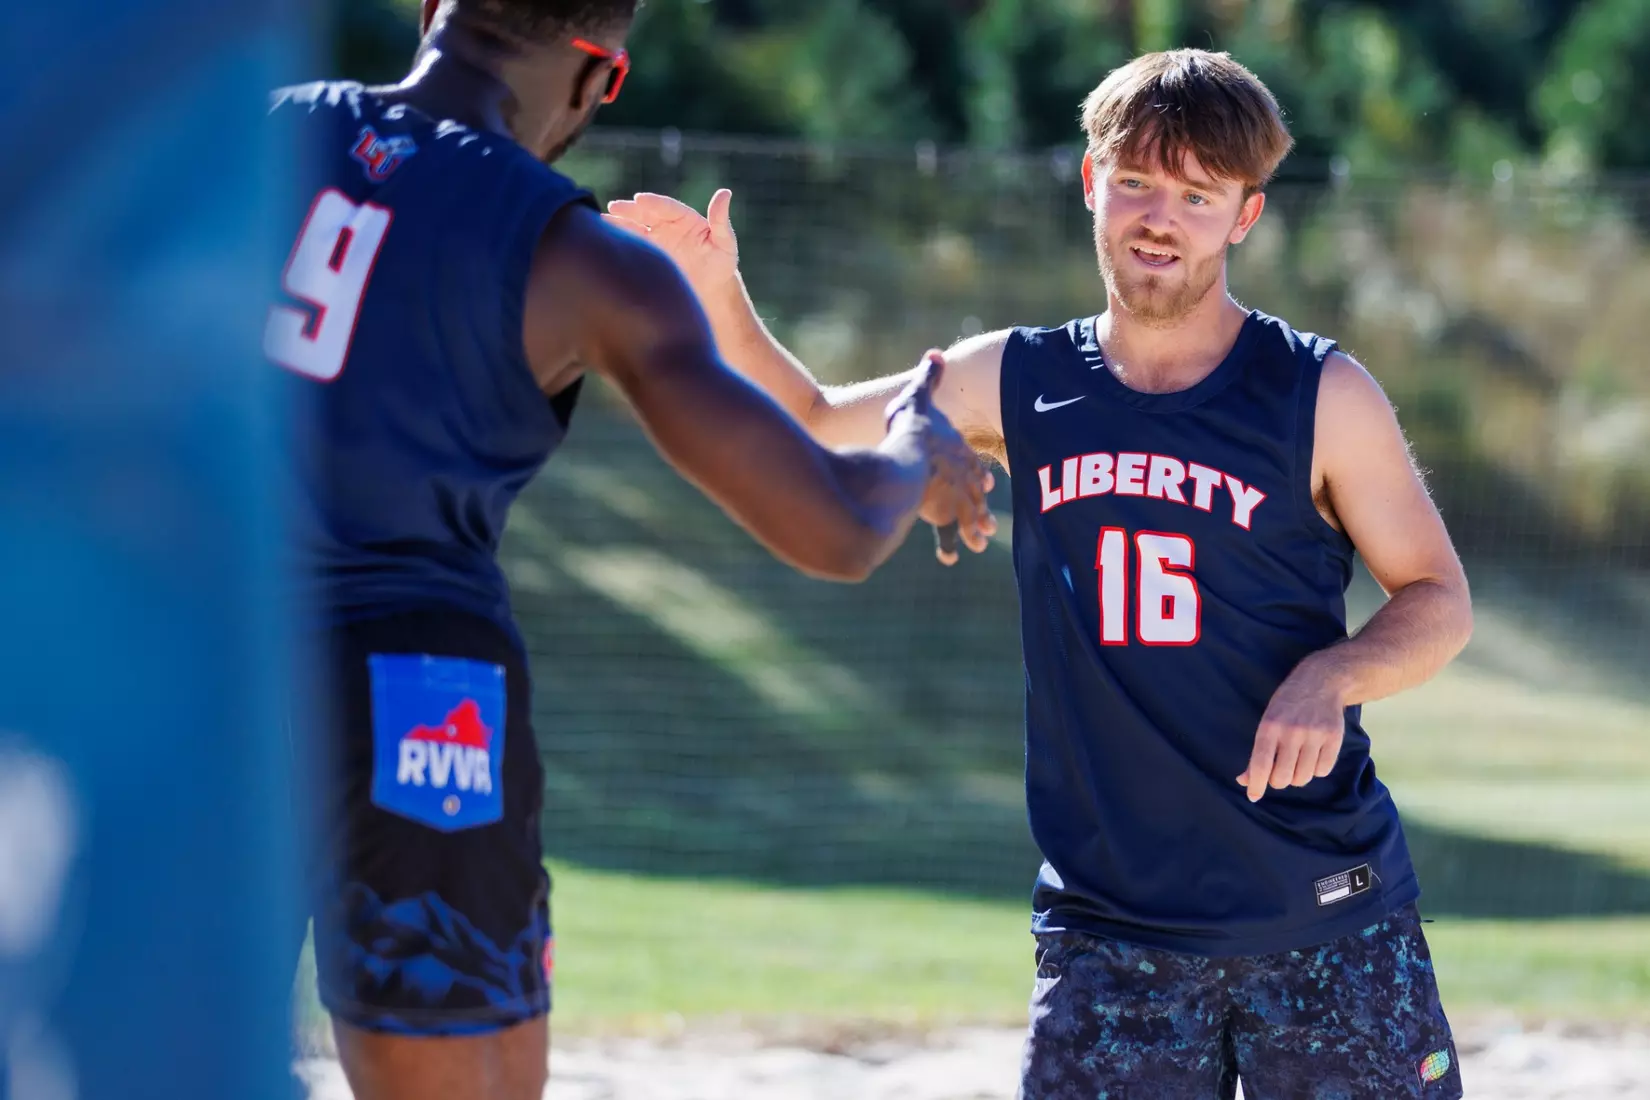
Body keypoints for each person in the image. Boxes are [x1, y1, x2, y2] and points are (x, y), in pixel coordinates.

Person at [606, 47, 1474, 1100]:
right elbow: (818, 420)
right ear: (1090, 183)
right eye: (1138, 182)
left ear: (1244, 215)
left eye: (1199, 195)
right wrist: (717, 293)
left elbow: (1437, 596)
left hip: (1328, 916)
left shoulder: (1320, 392)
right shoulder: (1020, 377)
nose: (1161, 217)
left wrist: (1333, 673)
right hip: (1113, 937)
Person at [265, 1, 996, 1097]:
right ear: (601, 81)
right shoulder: (578, 258)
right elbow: (834, 527)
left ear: (429, 8)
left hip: (198, 643)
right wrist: (918, 454)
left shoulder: (255, 133)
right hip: (420, 677)